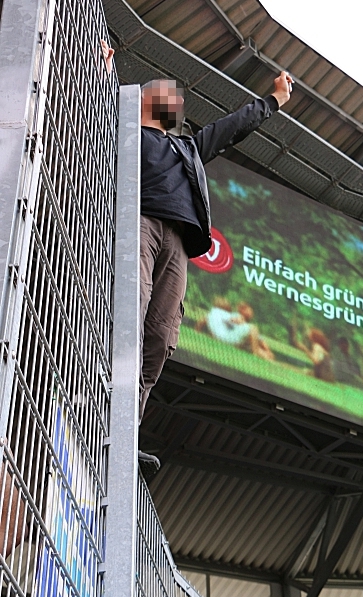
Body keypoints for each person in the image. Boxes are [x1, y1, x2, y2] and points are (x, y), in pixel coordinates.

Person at [101, 42, 292, 469]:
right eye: (171, 94)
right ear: (146, 98)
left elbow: (233, 127)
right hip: (140, 222)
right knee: (129, 311)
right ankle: (91, 404)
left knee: (160, 336)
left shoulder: (189, 147)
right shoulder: (124, 125)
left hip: (180, 244)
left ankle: (124, 434)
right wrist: (99, 67)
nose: (180, 102)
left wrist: (274, 100)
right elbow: (91, 102)